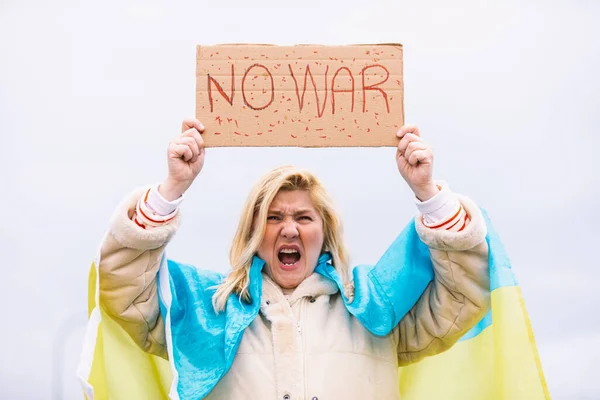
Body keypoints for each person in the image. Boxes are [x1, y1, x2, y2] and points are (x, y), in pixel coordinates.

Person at [97, 118, 490, 399]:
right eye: (273, 217)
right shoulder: (205, 311)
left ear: (325, 233)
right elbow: (126, 295)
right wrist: (171, 190)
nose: (289, 229)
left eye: (304, 217)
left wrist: (428, 193)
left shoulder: (375, 308)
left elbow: (461, 300)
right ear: (254, 233)